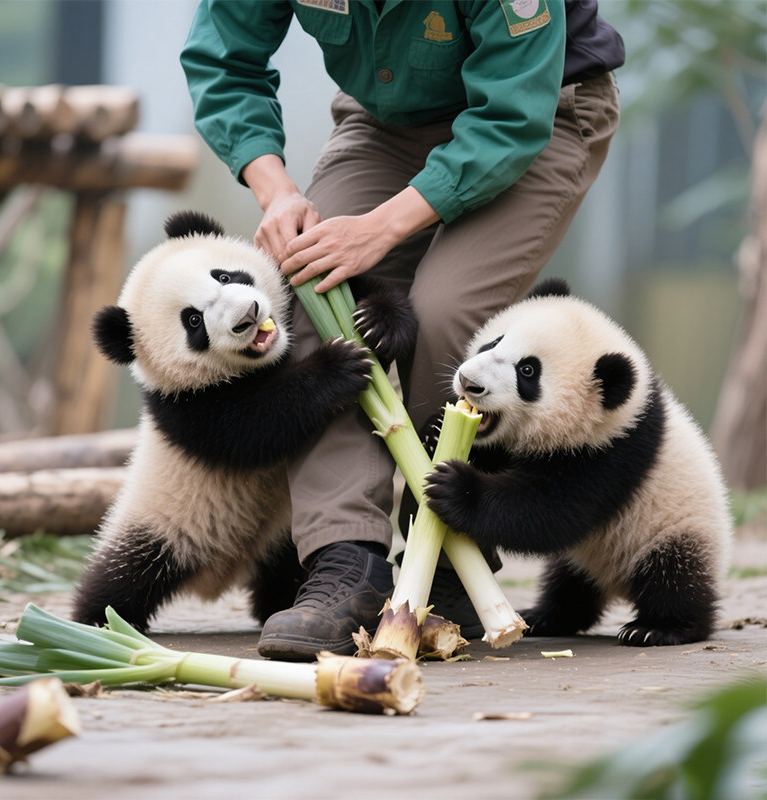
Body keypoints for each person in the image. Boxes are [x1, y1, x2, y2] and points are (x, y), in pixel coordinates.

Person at [181, 0, 625, 661]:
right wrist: (277, 193)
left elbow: (511, 117)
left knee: (447, 317)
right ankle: (345, 563)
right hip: (386, 123)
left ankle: (444, 554)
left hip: (534, 114)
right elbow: (223, 57)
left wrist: (380, 229)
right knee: (309, 297)